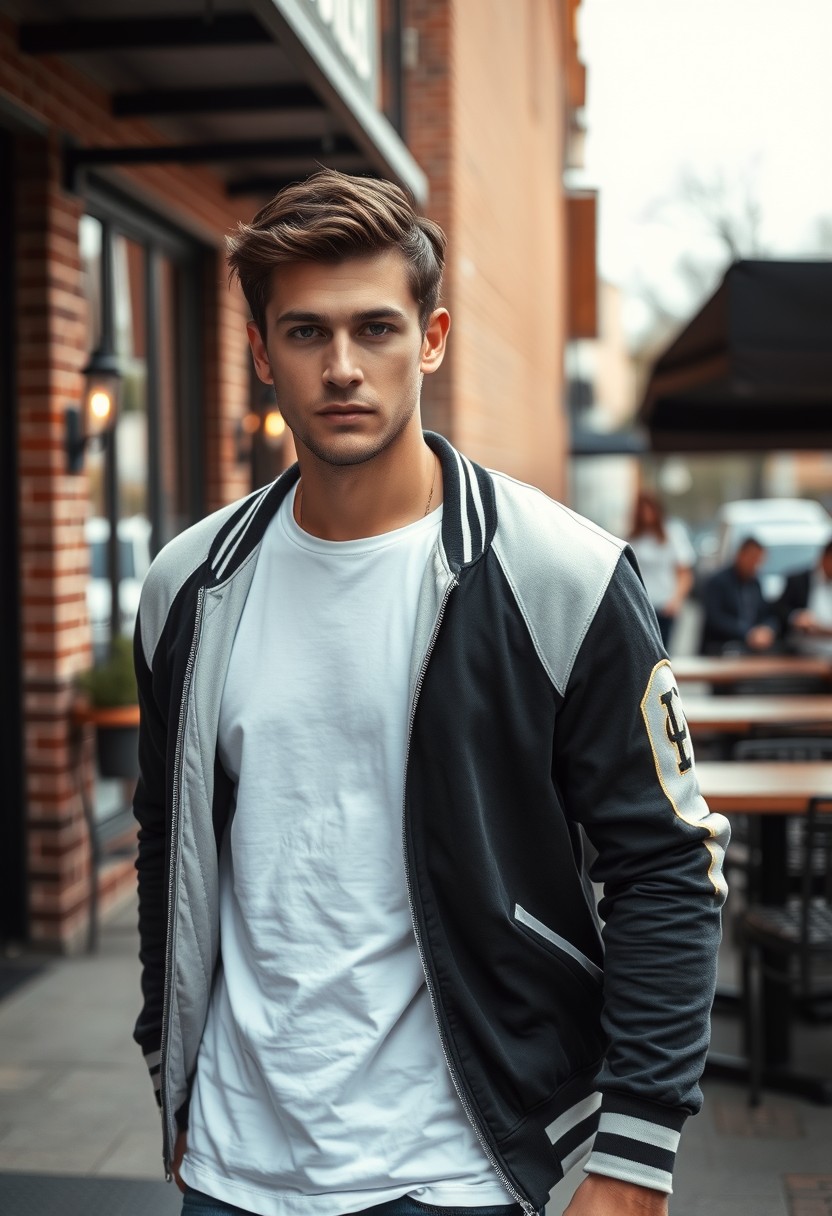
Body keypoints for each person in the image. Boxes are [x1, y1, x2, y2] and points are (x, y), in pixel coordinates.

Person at [132, 170, 729, 1216]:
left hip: (462, 1166)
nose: (344, 368)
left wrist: (635, 1154)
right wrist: (166, 1058)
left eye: (375, 328)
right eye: (307, 334)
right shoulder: (189, 585)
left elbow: (667, 861)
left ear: (433, 336)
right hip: (232, 1163)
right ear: (261, 353)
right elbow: (165, 840)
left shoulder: (560, 575)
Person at [627, 490, 694, 649]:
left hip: (665, 604)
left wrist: (676, 600)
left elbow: (684, 572)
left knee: (663, 650)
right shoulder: (633, 537)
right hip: (642, 604)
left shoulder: (672, 533)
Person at [699, 536, 779, 655]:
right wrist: (748, 633)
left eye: (759, 560)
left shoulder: (755, 583)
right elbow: (715, 619)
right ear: (740, 555)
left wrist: (767, 629)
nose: (755, 565)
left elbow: (766, 613)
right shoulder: (718, 581)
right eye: (752, 559)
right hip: (720, 649)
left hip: (750, 650)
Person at [776, 536, 832, 656]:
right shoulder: (798, 580)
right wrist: (796, 617)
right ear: (825, 558)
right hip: (804, 651)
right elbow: (779, 609)